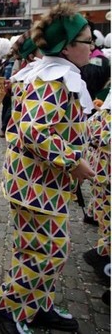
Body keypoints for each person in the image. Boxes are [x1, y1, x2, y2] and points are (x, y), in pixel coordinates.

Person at [0, 1, 97, 334]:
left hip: (40, 185)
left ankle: (39, 305)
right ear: (66, 46)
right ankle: (6, 307)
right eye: (87, 41)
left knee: (33, 248)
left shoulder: (51, 74)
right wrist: (73, 161)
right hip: (36, 186)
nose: (93, 46)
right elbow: (34, 131)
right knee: (49, 251)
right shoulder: (52, 80)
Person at [83, 91, 110, 282]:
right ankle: (103, 258)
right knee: (106, 218)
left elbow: (90, 130)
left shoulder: (105, 112)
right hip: (105, 173)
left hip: (100, 172)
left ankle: (101, 253)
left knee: (105, 218)